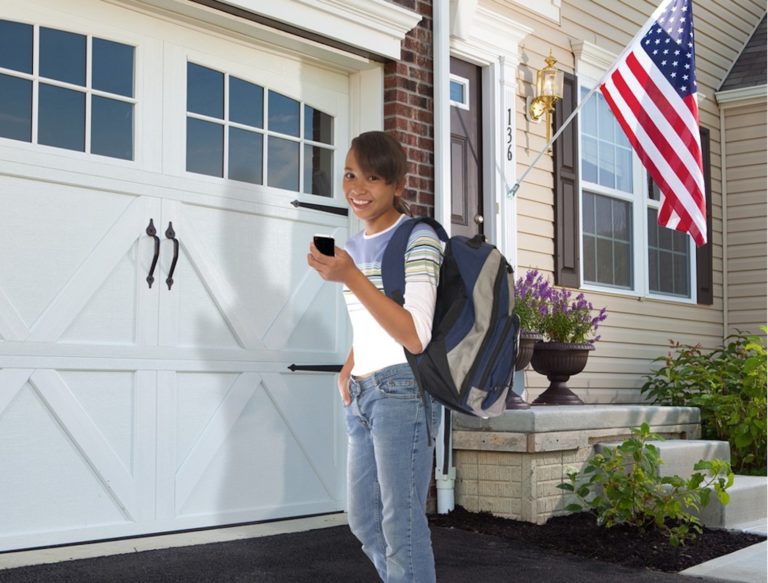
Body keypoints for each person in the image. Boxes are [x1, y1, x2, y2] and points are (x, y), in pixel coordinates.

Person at [307, 131, 444, 583]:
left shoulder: (418, 238)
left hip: (402, 391)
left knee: (401, 528)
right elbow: (370, 319)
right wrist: (349, 366)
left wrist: (349, 275)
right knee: (364, 521)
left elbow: (414, 334)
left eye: (372, 178)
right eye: (350, 175)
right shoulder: (355, 243)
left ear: (398, 186)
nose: (357, 188)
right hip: (364, 394)